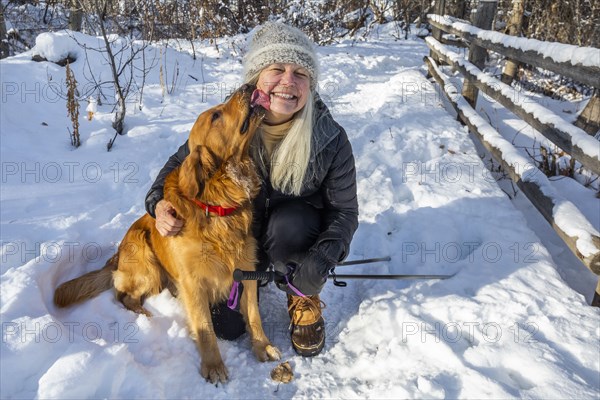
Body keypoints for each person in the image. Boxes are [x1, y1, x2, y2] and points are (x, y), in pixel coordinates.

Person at [144, 22, 358, 357]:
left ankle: (302, 296)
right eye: (277, 69)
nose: (288, 82)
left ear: (311, 86)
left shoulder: (329, 138)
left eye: (301, 73)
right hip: (239, 242)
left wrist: (322, 258)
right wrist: (158, 203)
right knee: (227, 329)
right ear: (256, 76)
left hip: (293, 236)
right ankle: (250, 283)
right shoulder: (231, 123)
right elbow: (178, 165)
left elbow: (345, 211)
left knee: (291, 221)